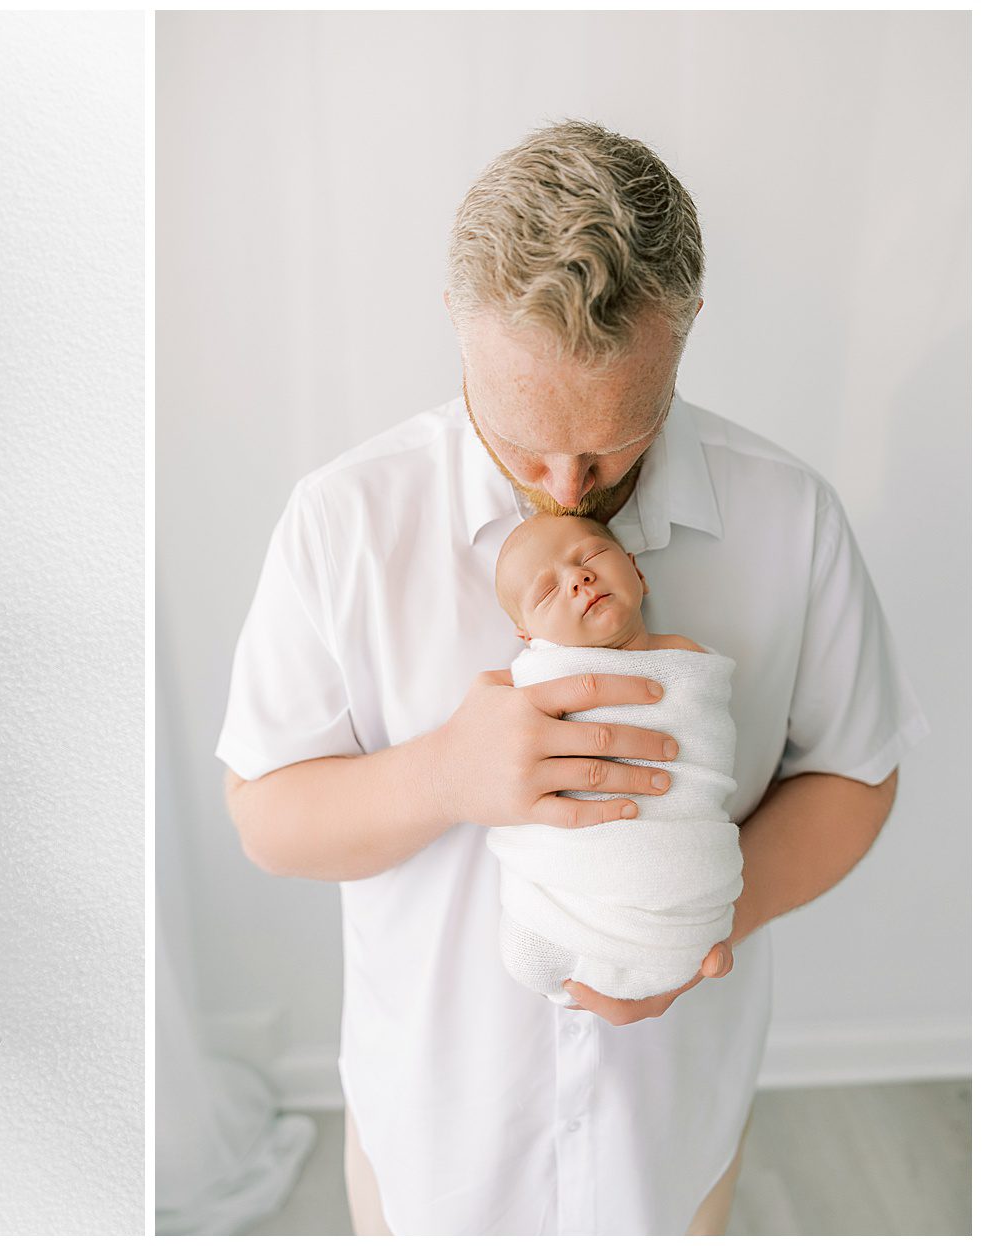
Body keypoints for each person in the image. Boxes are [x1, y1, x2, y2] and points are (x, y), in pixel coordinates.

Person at [218, 122, 926, 1233]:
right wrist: (447, 776)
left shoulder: (791, 520)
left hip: (672, 1134)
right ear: (457, 320)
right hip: (433, 1137)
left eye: (607, 445)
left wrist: (699, 924)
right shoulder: (343, 523)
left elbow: (859, 773)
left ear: (684, 329)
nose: (564, 487)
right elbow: (266, 817)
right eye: (524, 437)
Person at [488, 514, 741, 1006]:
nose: (578, 579)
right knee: (525, 954)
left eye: (590, 558)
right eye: (546, 592)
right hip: (570, 875)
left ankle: (682, 935)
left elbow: (709, 764)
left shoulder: (691, 664)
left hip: (680, 853)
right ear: (530, 637)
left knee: (694, 920)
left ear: (638, 572)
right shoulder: (537, 682)